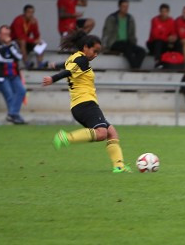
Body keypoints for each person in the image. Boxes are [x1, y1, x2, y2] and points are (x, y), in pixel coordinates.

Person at [44, 29, 130, 173]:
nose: (96, 55)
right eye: (94, 51)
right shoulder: (81, 60)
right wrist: (53, 78)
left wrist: (53, 65)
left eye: (98, 52)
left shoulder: (74, 58)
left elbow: (66, 66)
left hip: (80, 105)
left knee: (111, 132)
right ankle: (66, 137)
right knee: (102, 133)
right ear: (85, 47)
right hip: (85, 103)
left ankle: (119, 166)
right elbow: (68, 72)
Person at [0, 24, 27, 124]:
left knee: (21, 91)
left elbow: (18, 57)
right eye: (4, 34)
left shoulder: (13, 44)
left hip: (13, 73)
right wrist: (11, 60)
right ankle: (14, 116)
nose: (6, 36)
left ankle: (12, 114)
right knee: (9, 95)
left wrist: (9, 45)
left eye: (7, 34)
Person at [101, 0, 146, 69]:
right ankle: (135, 68)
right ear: (119, 7)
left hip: (127, 42)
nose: (125, 8)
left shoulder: (130, 19)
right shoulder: (112, 18)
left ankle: (136, 67)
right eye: (123, 6)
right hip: (114, 42)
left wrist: (133, 43)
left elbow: (132, 34)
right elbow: (106, 32)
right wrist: (103, 45)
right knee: (127, 49)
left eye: (127, 6)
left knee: (142, 51)